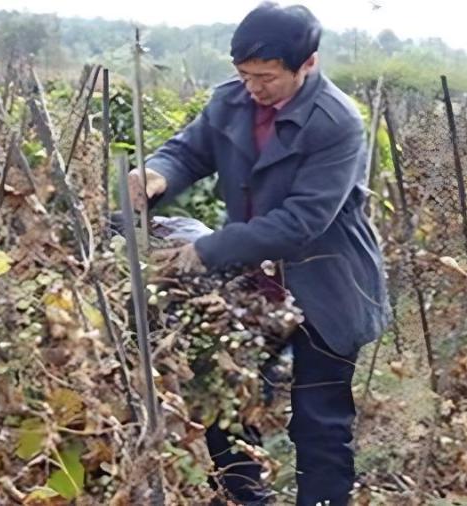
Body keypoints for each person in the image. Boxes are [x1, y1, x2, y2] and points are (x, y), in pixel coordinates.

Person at [129, 3, 392, 504]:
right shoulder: (231, 102)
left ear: (307, 64)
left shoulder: (336, 122)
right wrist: (158, 172)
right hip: (254, 284)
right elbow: (189, 150)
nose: (253, 88)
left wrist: (207, 250)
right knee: (229, 402)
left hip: (326, 285)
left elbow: (301, 223)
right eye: (244, 75)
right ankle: (247, 500)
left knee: (320, 422)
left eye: (266, 77)